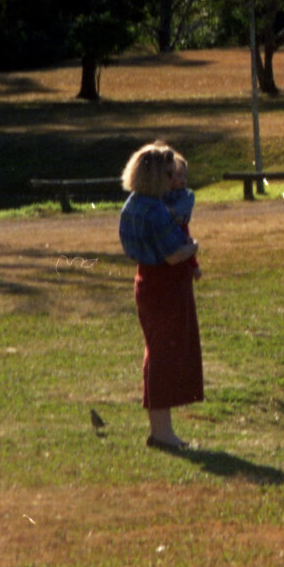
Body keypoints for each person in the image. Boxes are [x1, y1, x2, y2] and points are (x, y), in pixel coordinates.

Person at [119, 142, 204, 452]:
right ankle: (162, 433)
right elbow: (173, 255)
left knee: (157, 352)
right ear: (156, 176)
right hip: (165, 286)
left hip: (146, 281)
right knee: (164, 356)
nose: (173, 179)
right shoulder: (156, 210)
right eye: (168, 174)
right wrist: (193, 248)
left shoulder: (133, 204)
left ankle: (162, 430)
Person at [165, 152, 200, 278]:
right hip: (167, 228)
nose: (183, 180)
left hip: (180, 226)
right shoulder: (162, 193)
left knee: (186, 242)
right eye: (179, 176)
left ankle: (194, 267)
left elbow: (179, 212)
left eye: (185, 176)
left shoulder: (186, 195)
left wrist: (168, 212)